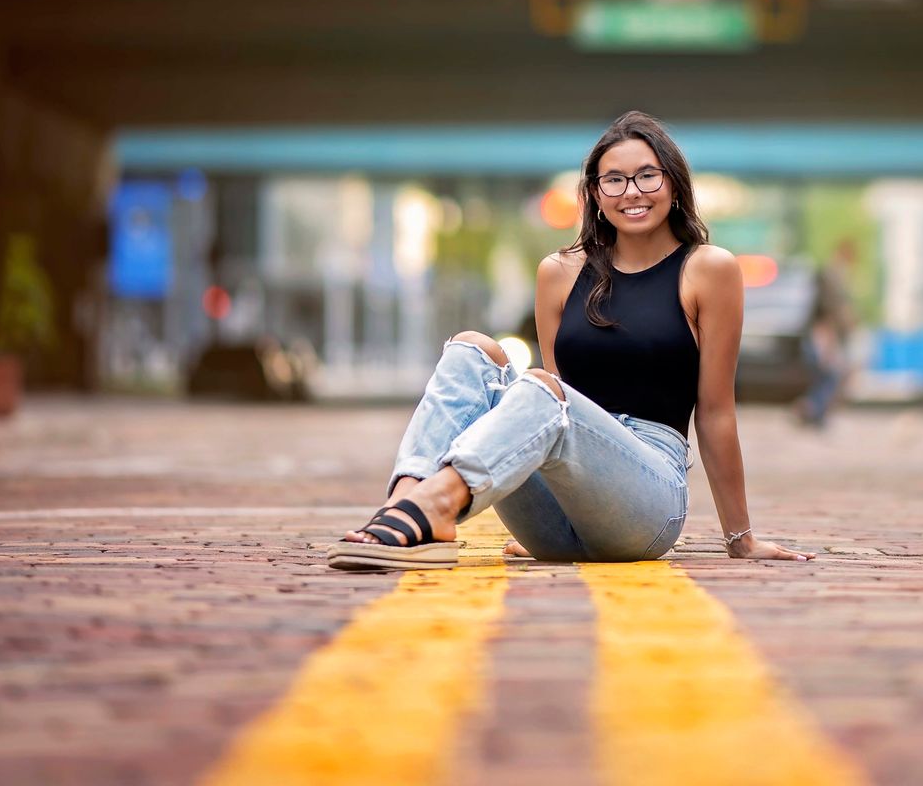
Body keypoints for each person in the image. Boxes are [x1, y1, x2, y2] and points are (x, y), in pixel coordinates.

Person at [327, 110, 814, 571]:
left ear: (673, 183)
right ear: (596, 194)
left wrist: (740, 537)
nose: (632, 192)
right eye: (614, 180)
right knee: (472, 350)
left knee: (546, 391)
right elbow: (545, 411)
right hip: (557, 517)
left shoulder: (708, 269)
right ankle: (405, 503)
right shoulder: (559, 273)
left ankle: (436, 504)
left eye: (648, 175)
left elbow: (715, 411)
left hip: (647, 501)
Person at [796, 239, 858, 429]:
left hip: (822, 334)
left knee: (826, 377)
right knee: (830, 376)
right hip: (822, 335)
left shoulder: (830, 277)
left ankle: (811, 410)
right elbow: (829, 313)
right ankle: (811, 410)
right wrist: (829, 345)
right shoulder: (832, 277)